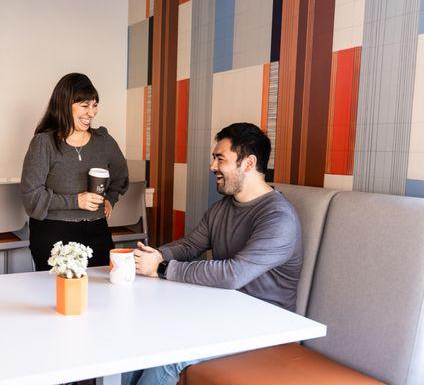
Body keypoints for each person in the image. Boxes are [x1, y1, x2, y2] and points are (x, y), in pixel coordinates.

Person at [124, 122, 303, 385]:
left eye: (220, 159)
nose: (212, 167)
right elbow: (189, 246)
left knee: (168, 358)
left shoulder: (278, 218)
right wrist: (148, 257)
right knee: (139, 340)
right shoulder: (222, 208)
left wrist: (161, 269)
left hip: (264, 327)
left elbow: (233, 274)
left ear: (248, 163)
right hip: (222, 313)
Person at [20, 73, 129, 271]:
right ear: (64, 104)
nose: (92, 112)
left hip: (97, 230)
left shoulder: (103, 140)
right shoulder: (44, 143)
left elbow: (121, 175)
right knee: (58, 297)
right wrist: (76, 201)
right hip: (53, 233)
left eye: (95, 105)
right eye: (85, 105)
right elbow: (31, 197)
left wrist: (110, 199)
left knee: (104, 293)